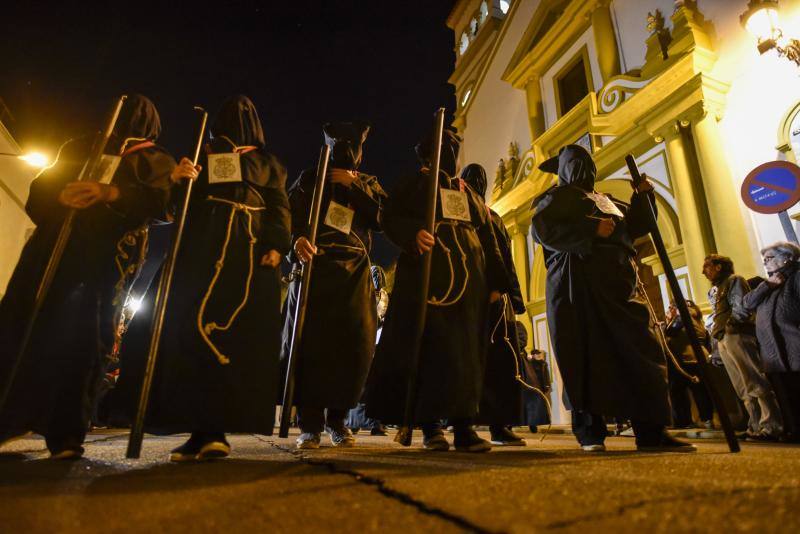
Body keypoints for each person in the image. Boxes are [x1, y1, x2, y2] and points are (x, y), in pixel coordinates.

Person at [0, 94, 175, 459]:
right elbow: (38, 192)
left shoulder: (155, 159)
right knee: (24, 331)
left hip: (104, 264)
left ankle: (66, 434)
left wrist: (112, 192)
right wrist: (60, 194)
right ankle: (10, 417)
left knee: (86, 341)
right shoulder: (81, 146)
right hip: (53, 256)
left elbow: (160, 204)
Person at [144, 95, 291, 461]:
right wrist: (180, 181)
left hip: (249, 253)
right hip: (202, 252)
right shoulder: (202, 155)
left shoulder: (268, 164)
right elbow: (179, 208)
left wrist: (277, 245)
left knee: (234, 339)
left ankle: (218, 430)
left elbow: (279, 208)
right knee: (190, 332)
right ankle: (201, 431)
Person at [531, 144, 694, 452]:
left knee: (640, 350)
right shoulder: (554, 198)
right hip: (577, 289)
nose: (582, 168)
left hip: (620, 286)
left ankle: (651, 430)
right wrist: (591, 228)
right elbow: (543, 230)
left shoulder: (607, 200)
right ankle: (591, 432)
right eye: (574, 162)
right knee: (585, 355)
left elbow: (638, 226)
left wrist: (642, 196)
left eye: (586, 162)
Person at [364, 129, 510, 453]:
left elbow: (487, 236)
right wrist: (411, 234)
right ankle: (431, 428)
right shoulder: (414, 184)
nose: (454, 156)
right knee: (432, 351)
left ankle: (464, 428)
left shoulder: (467, 191)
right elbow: (388, 216)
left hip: (471, 284)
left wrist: (498, 284)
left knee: (467, 356)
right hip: (429, 282)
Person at [283, 121, 386, 449]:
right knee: (310, 349)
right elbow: (287, 218)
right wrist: (295, 241)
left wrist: (354, 188)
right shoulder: (309, 179)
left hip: (354, 276)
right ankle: (309, 425)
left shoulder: (368, 182)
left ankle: (338, 421)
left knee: (352, 348)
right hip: (315, 271)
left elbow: (385, 220)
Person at [461, 163, 527, 446]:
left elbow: (504, 256)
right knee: (469, 361)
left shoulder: (494, 216)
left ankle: (500, 425)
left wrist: (509, 292)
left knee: (501, 361)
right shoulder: (460, 210)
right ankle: (463, 422)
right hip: (468, 294)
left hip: (496, 297)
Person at [702, 254, 783, 440]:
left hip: (736, 334)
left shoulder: (734, 280)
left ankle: (771, 425)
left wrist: (731, 324)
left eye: (707, 266)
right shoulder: (714, 290)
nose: (703, 272)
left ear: (719, 266)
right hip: (723, 337)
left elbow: (741, 306)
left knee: (753, 379)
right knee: (741, 386)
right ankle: (754, 425)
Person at [743, 242, 800, 441]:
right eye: (764, 259)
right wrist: (768, 285)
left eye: (770, 258)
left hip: (793, 344)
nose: (765, 262)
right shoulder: (768, 283)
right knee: (783, 392)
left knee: (797, 388)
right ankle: (792, 429)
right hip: (771, 349)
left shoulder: (797, 277)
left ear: (787, 258)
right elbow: (747, 303)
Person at [663, 300, 714, 429]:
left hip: (685, 359)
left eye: (671, 307)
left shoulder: (683, 317)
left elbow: (669, 333)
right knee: (700, 390)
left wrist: (669, 321)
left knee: (678, 391)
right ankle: (707, 419)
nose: (669, 310)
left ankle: (683, 421)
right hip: (700, 357)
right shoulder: (697, 319)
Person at [516, 322, 551, 433]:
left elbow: (522, 340)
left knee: (531, 393)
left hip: (520, 363)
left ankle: (533, 421)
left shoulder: (518, 325)